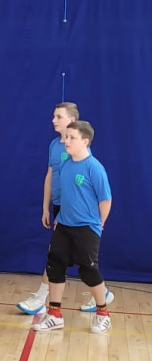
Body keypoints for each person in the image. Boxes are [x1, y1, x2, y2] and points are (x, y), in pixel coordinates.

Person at [17, 102, 113, 315]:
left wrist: (98, 223)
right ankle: (56, 304)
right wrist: (46, 206)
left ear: (72, 120)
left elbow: (99, 195)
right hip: (61, 207)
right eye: (54, 116)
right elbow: (50, 176)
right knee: (56, 257)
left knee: (81, 263)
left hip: (79, 211)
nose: (54, 120)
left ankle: (45, 297)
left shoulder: (82, 156)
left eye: (59, 116)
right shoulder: (54, 146)